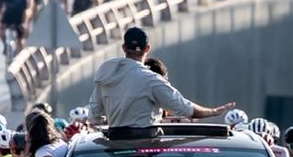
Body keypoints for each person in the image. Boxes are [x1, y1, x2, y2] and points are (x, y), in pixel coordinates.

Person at [89, 26, 235, 129]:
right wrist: (213, 112)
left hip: (114, 150)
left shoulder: (106, 75)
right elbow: (184, 109)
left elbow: (94, 117)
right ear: (147, 48)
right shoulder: (150, 79)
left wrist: (113, 126)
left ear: (124, 47)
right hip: (145, 149)